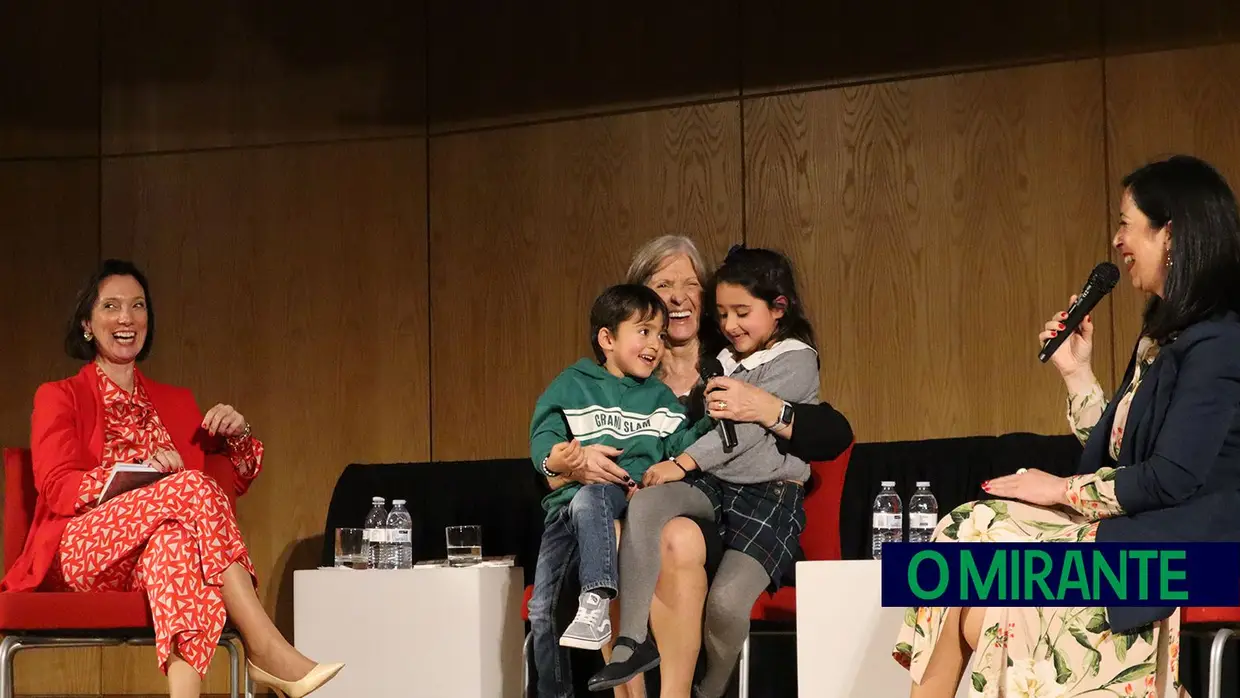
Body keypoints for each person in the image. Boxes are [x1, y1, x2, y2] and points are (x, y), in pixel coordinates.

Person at [893, 154, 1240, 697]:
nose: (1117, 241)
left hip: (1190, 551)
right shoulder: (1161, 338)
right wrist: (1077, 374)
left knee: (990, 594)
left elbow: (1169, 479)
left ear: (1169, 234)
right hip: (1136, 533)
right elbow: (1123, 459)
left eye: (1126, 223)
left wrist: (1056, 489)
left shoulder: (1220, 341)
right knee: (966, 530)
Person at [0, 260, 342, 698]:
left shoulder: (175, 402)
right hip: (81, 550)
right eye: (112, 306)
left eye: (138, 306)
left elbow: (229, 484)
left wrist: (237, 435)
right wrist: (142, 478)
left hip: (150, 550)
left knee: (177, 544)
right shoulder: (59, 396)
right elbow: (57, 486)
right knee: (189, 488)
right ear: (87, 323)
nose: (127, 318)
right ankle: (266, 646)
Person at [591, 245, 824, 697]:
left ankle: (702, 691)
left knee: (707, 579)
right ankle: (629, 645)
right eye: (662, 286)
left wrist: (680, 462)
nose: (677, 297)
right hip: (710, 491)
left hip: (756, 502)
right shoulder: (630, 371)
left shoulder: (764, 357)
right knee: (631, 515)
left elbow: (749, 432)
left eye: (689, 285)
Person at [528, 283, 715, 697]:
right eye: (644, 332)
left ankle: (597, 600)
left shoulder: (661, 398)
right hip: (573, 514)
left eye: (660, 335)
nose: (655, 344)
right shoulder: (572, 384)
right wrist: (567, 461)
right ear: (607, 339)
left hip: (630, 505)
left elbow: (680, 445)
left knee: (602, 496)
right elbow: (545, 443)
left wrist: (710, 420)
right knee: (541, 610)